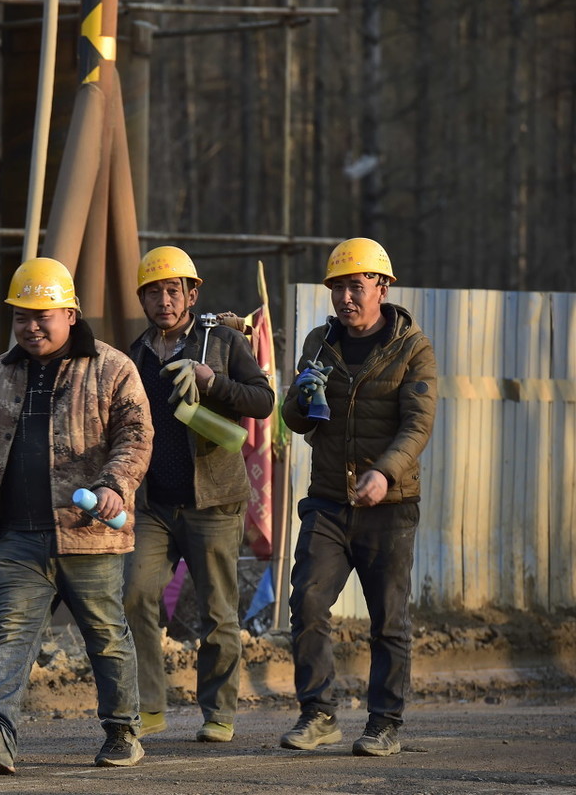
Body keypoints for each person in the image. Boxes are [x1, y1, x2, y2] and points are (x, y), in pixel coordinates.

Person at [0, 257, 153, 773]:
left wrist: (115, 486)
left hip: (88, 532)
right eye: (21, 317)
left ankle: (123, 730)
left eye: (43, 315)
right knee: (10, 632)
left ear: (70, 313)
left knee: (105, 633)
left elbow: (136, 436)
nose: (31, 326)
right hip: (16, 532)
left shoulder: (112, 367)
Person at [279, 238, 437, 757]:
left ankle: (384, 722)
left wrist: (385, 474)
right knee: (307, 602)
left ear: (382, 287)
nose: (345, 297)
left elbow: (417, 425)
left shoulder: (413, 348)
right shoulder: (318, 342)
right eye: (337, 287)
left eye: (356, 285)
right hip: (327, 501)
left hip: (389, 508)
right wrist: (298, 398)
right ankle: (318, 714)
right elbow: (297, 420)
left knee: (388, 619)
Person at [122, 246, 274, 743]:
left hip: (213, 502)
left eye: (173, 290)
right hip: (154, 505)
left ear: (191, 293)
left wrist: (213, 381)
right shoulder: (137, 353)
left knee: (216, 612)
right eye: (153, 291)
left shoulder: (222, 341)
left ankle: (218, 712)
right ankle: (148, 707)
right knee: (137, 595)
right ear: (142, 297)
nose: (164, 300)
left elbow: (263, 401)